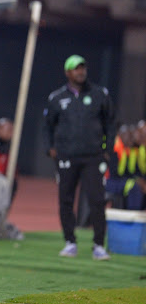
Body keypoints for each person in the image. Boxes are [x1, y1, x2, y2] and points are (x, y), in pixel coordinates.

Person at [42, 54, 116, 260]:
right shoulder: (56, 98)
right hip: (66, 156)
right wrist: (50, 148)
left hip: (93, 156)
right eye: (76, 68)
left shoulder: (100, 94)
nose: (80, 71)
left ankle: (99, 245)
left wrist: (107, 148)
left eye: (83, 67)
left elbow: (110, 123)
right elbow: (47, 126)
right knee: (65, 199)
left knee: (97, 200)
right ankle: (70, 242)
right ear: (68, 72)